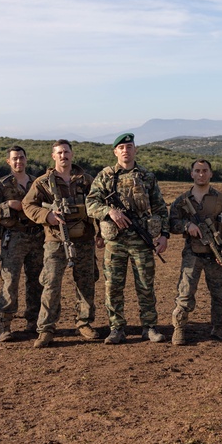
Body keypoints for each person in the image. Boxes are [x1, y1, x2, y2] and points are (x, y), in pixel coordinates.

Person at [85, 132, 170, 345]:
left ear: (135, 149)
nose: (125, 150)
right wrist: (109, 212)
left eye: (129, 146)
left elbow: (160, 208)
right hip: (115, 242)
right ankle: (116, 328)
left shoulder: (147, 176)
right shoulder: (105, 176)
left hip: (142, 241)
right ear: (115, 151)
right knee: (113, 286)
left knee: (145, 285)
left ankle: (149, 327)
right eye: (121, 147)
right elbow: (90, 204)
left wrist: (164, 235)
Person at [23, 139, 103, 348]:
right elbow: (27, 204)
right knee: (51, 285)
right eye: (59, 153)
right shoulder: (42, 182)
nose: (63, 156)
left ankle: (84, 322)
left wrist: (101, 232)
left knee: (86, 283)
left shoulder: (86, 180)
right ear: (53, 156)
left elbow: (98, 204)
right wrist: (46, 215)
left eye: (66, 152)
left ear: (72, 154)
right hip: (55, 241)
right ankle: (46, 328)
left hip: (84, 240)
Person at [168, 159, 222, 345]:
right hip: (192, 253)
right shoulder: (182, 201)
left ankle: (219, 328)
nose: (201, 174)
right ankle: (179, 328)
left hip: (215, 254)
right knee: (186, 291)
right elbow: (172, 224)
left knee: (219, 293)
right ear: (191, 174)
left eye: (204, 171)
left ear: (210, 174)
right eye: (197, 171)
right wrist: (186, 225)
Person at [0, 145, 45, 342]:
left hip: (37, 236)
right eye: (14, 159)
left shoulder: (38, 183)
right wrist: (7, 206)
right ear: (8, 162)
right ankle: (4, 324)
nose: (18, 161)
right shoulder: (0, 185)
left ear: (26, 160)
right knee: (10, 281)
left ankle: (34, 320)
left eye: (21, 158)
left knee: (36, 280)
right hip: (14, 237)